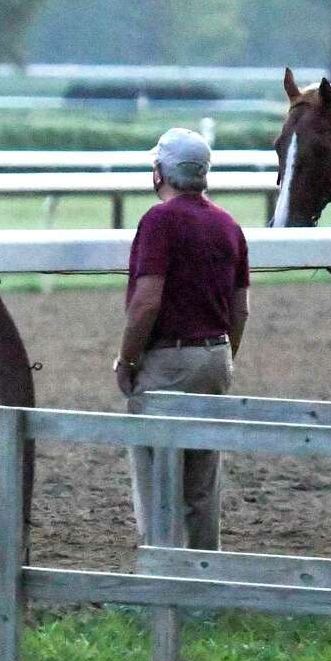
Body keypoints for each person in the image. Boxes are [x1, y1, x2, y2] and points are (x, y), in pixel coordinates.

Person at [115, 128, 250, 550]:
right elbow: (240, 309)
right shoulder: (229, 224)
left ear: (160, 172)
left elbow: (146, 303)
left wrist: (127, 360)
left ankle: (162, 581)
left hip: (169, 362)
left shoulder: (158, 221)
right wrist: (222, 357)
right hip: (215, 356)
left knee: (158, 484)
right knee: (202, 485)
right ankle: (204, 585)